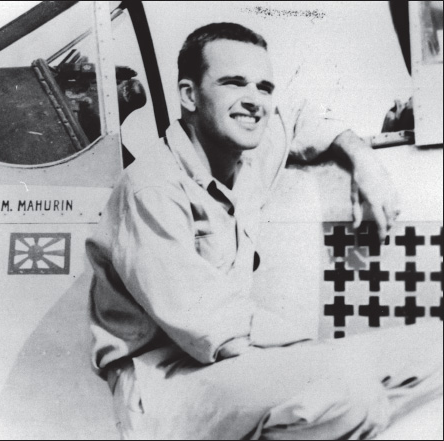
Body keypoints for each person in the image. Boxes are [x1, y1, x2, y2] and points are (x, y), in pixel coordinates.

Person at [86, 23, 443, 440]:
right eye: (234, 83)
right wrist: (325, 351)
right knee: (348, 394)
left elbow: (297, 117)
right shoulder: (151, 188)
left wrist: (364, 159)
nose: (255, 100)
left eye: (265, 87)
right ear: (189, 96)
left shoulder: (246, 154)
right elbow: (214, 328)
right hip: (165, 388)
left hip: (238, 367)